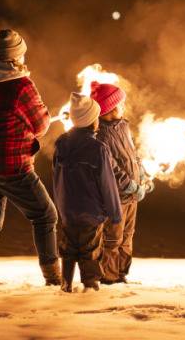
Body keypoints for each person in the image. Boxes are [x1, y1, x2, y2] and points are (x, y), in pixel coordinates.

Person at [0, 29, 61, 286]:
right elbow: (41, 125)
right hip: (11, 165)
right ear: (17, 56)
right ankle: (53, 277)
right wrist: (45, 113)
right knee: (45, 215)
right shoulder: (21, 85)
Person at [53, 93, 122, 292]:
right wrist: (115, 212)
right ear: (91, 121)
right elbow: (107, 182)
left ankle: (66, 284)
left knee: (68, 248)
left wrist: (61, 204)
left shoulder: (61, 143)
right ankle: (90, 287)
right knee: (90, 250)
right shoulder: (98, 148)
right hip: (91, 212)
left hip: (67, 210)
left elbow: (56, 177)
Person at [90, 81, 150, 285]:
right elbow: (111, 167)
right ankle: (108, 275)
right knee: (112, 238)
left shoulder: (123, 126)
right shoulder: (100, 134)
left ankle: (122, 273)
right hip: (114, 198)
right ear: (109, 108)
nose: (123, 107)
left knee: (127, 235)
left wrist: (142, 176)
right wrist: (128, 184)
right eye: (120, 104)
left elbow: (133, 156)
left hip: (131, 196)